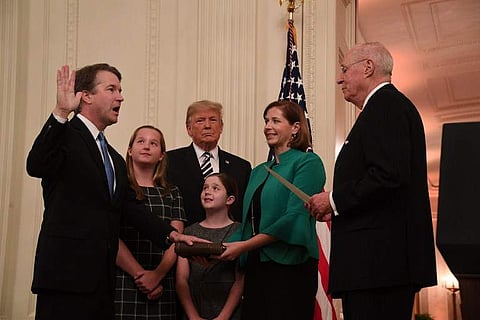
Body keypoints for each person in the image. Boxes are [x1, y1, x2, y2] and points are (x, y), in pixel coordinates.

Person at [26, 64, 205, 320]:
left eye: (120, 90)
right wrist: (61, 112)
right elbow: (36, 165)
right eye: (111, 89)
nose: (120, 96)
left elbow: (132, 210)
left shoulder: (113, 158)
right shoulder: (65, 135)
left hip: (102, 282)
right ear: (85, 96)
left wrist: (173, 237)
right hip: (65, 277)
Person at [306, 42, 437, 319]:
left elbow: (388, 176)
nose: (339, 78)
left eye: (344, 69)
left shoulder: (386, 106)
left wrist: (333, 200)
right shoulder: (381, 108)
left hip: (380, 265)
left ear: (368, 67)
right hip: (377, 265)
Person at [219, 100, 326, 320]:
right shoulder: (258, 171)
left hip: (290, 267)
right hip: (257, 268)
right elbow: (248, 223)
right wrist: (218, 249)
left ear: (295, 127)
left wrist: (244, 246)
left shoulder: (308, 162)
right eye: (266, 121)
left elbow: (294, 218)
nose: (268, 126)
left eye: (275, 120)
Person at [115, 125, 186, 319]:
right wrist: (139, 275)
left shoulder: (172, 192)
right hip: (124, 278)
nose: (147, 146)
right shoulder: (118, 188)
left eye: (153, 143)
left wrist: (156, 275)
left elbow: (176, 240)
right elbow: (110, 236)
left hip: (162, 282)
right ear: (130, 150)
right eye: (141, 141)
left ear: (162, 155)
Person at [167, 100, 251, 225]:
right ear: (189, 129)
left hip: (230, 240)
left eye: (213, 120)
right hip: (185, 237)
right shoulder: (169, 161)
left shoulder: (241, 167)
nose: (207, 125)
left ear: (221, 127)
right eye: (200, 120)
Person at [176, 173, 244, 320]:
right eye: (205, 188)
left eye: (215, 188)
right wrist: (193, 316)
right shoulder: (189, 232)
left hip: (228, 313)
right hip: (193, 311)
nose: (207, 191)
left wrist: (223, 317)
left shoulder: (240, 232)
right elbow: (181, 279)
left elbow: (240, 280)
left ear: (230, 199)